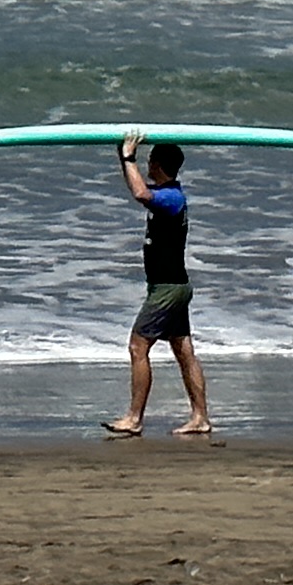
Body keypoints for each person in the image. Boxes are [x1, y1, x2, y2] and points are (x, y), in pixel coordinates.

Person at [103, 132, 213, 439]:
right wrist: (123, 155)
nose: (147, 165)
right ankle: (200, 418)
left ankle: (134, 418)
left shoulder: (172, 198)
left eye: (150, 160)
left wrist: (129, 158)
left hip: (167, 289)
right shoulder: (167, 194)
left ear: (160, 165)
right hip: (172, 286)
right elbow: (137, 186)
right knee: (184, 351)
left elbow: (140, 193)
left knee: (138, 347)